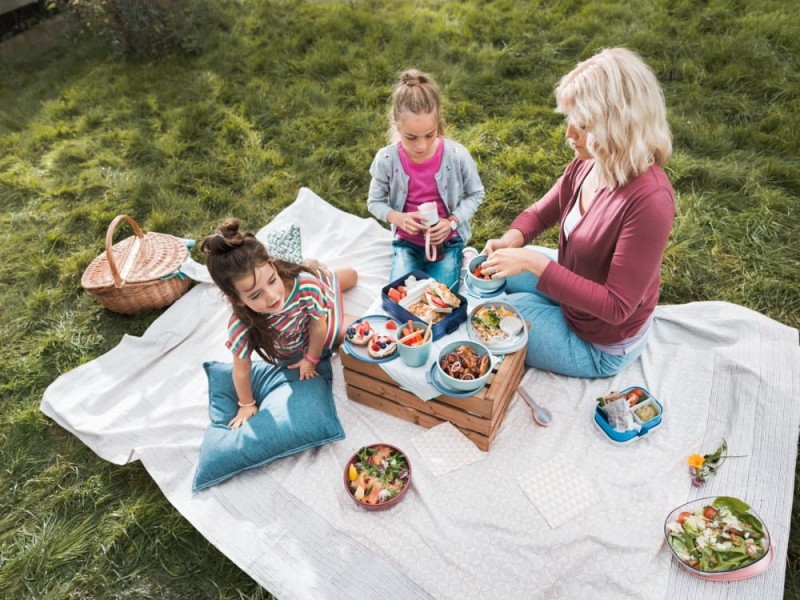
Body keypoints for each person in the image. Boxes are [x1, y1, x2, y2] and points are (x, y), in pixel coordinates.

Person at [481, 47, 675, 378]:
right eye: (571, 119)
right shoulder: (592, 162)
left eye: (583, 124)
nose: (569, 133)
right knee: (489, 273)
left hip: (599, 343)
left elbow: (616, 307)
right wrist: (513, 238)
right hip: (577, 286)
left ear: (619, 126)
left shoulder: (651, 201)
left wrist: (532, 262)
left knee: (486, 316)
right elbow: (543, 212)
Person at [200, 219, 358, 428]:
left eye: (272, 280)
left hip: (318, 318)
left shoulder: (304, 286)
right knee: (325, 289)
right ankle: (324, 278)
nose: (272, 296)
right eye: (256, 294)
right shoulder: (241, 326)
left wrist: (311, 359)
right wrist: (247, 404)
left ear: (273, 266)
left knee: (352, 291)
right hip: (306, 313)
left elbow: (319, 325)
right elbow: (241, 369)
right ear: (238, 299)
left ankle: (325, 276)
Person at [367, 68, 485, 289]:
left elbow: (477, 193)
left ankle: (461, 256)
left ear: (438, 122)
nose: (421, 146)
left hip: (447, 241)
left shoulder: (456, 156)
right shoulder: (387, 159)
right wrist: (398, 218)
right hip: (407, 242)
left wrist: (451, 222)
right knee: (402, 293)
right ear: (396, 124)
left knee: (441, 295)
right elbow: (374, 202)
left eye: (430, 134)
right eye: (411, 137)